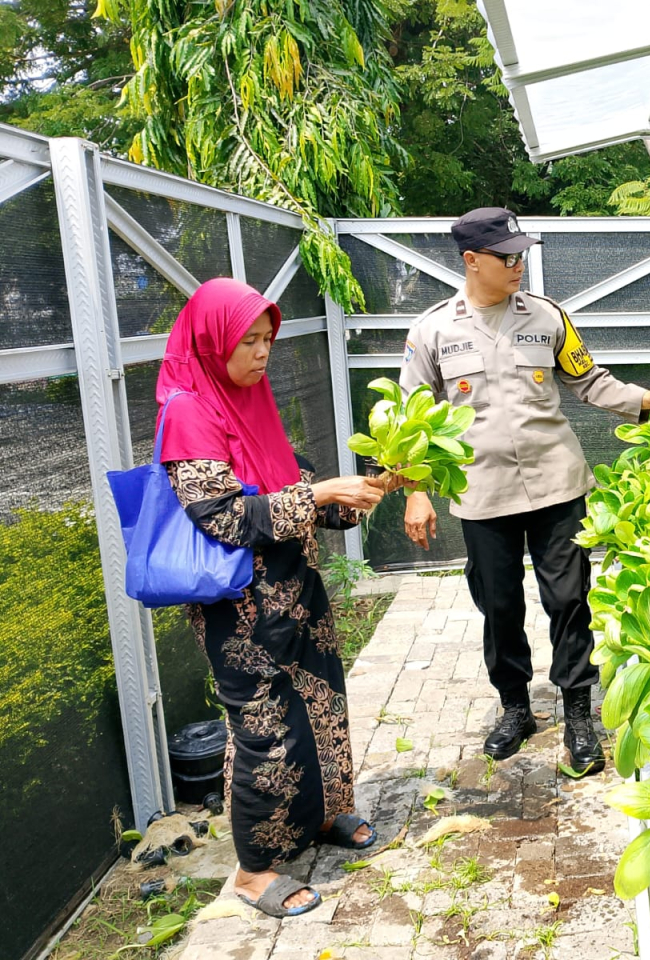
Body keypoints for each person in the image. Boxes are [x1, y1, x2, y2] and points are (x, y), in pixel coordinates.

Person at [399, 208, 650, 775]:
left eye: (522, 254)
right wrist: (415, 491)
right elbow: (411, 419)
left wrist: (648, 399)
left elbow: (589, 381)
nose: (519, 265)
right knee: (499, 606)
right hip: (482, 492)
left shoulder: (548, 317)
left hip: (557, 484)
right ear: (472, 260)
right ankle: (515, 709)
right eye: (507, 256)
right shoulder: (432, 331)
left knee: (568, 600)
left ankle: (578, 714)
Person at [157, 278, 387, 918]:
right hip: (240, 609)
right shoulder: (190, 411)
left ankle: (322, 814)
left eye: (267, 340)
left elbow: (291, 485)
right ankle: (255, 870)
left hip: (297, 590)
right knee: (266, 731)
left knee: (322, 703)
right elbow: (226, 518)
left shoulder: (249, 400)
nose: (262, 353)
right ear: (212, 343)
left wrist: (359, 494)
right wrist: (320, 495)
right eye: (248, 342)